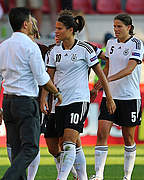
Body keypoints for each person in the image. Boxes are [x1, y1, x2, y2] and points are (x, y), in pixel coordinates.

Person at [0, 7, 62, 180]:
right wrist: (56, 92)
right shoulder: (31, 47)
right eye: (30, 20)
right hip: (26, 103)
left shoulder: (1, 47)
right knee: (30, 148)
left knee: (17, 149)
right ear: (25, 24)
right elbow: (42, 78)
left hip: (8, 102)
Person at [42, 10, 116, 180]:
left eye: (60, 28)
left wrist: (106, 95)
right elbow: (49, 78)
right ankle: (80, 177)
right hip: (57, 102)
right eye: (56, 28)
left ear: (70, 29)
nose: (56, 32)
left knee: (69, 142)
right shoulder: (53, 51)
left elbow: (103, 69)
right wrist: (44, 99)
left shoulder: (86, 48)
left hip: (78, 100)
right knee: (58, 146)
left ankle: (62, 177)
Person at [91, 14, 144, 180]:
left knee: (128, 139)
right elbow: (108, 67)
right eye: (114, 26)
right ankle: (99, 175)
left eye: (119, 26)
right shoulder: (111, 43)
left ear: (129, 27)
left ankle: (127, 176)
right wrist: (99, 85)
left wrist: (108, 79)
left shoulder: (137, 43)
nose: (116, 29)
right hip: (110, 96)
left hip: (129, 98)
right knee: (101, 134)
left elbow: (129, 69)